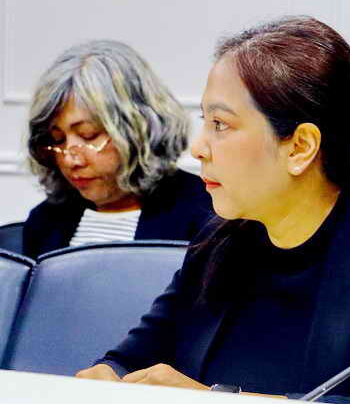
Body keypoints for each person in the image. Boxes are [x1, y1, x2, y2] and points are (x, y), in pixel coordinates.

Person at [76, 16, 350, 404]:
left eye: (221, 124)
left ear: (300, 147)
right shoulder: (219, 240)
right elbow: (131, 358)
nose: (198, 148)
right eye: (205, 121)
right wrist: (107, 375)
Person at [23, 40, 213, 259]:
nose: (70, 160)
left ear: (138, 129)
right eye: (57, 140)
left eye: (88, 135)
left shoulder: (205, 212)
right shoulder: (44, 220)